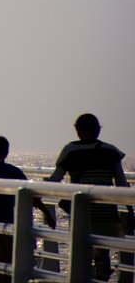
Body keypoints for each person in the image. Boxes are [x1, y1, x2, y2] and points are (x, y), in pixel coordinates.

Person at [47, 113, 133, 282]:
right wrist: (130, 211)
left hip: (82, 213)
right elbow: (122, 185)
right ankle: (101, 279)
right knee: (102, 255)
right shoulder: (111, 151)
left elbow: (55, 180)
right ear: (98, 130)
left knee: (81, 254)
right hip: (106, 213)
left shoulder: (70, 150)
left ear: (78, 130)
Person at [0, 136, 55, 283]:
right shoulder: (14, 172)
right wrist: (46, 212)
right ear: (6, 153)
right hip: (10, 226)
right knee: (11, 267)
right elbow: (31, 196)